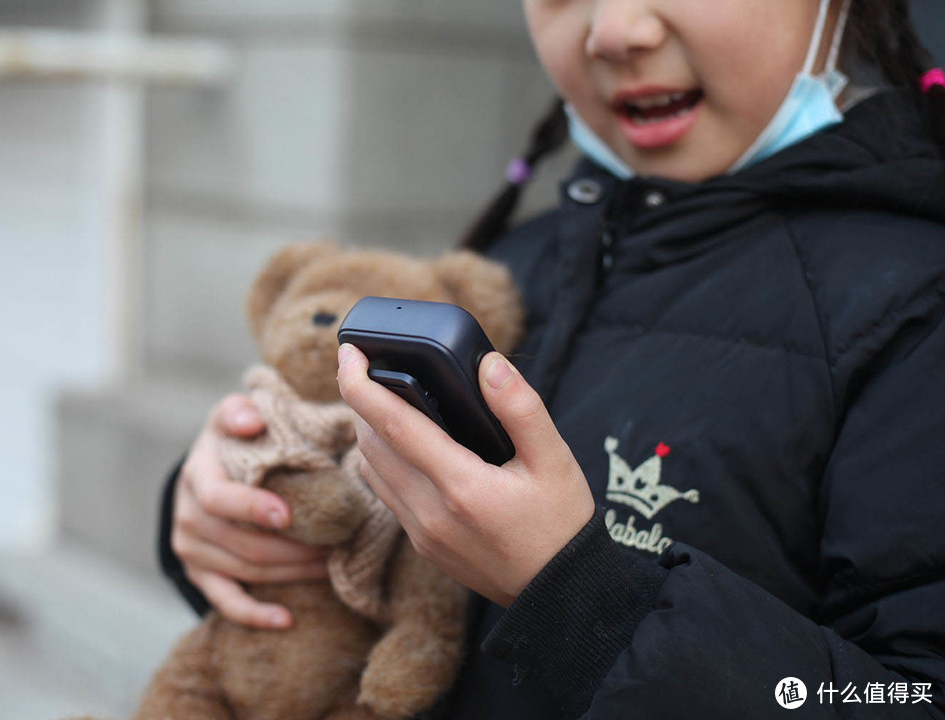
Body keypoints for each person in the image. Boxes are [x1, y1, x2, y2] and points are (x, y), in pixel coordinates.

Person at [158, 0, 945, 717]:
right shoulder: (515, 265)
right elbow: (384, 593)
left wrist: (581, 594)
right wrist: (228, 516)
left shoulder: (916, 303)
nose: (613, 31)